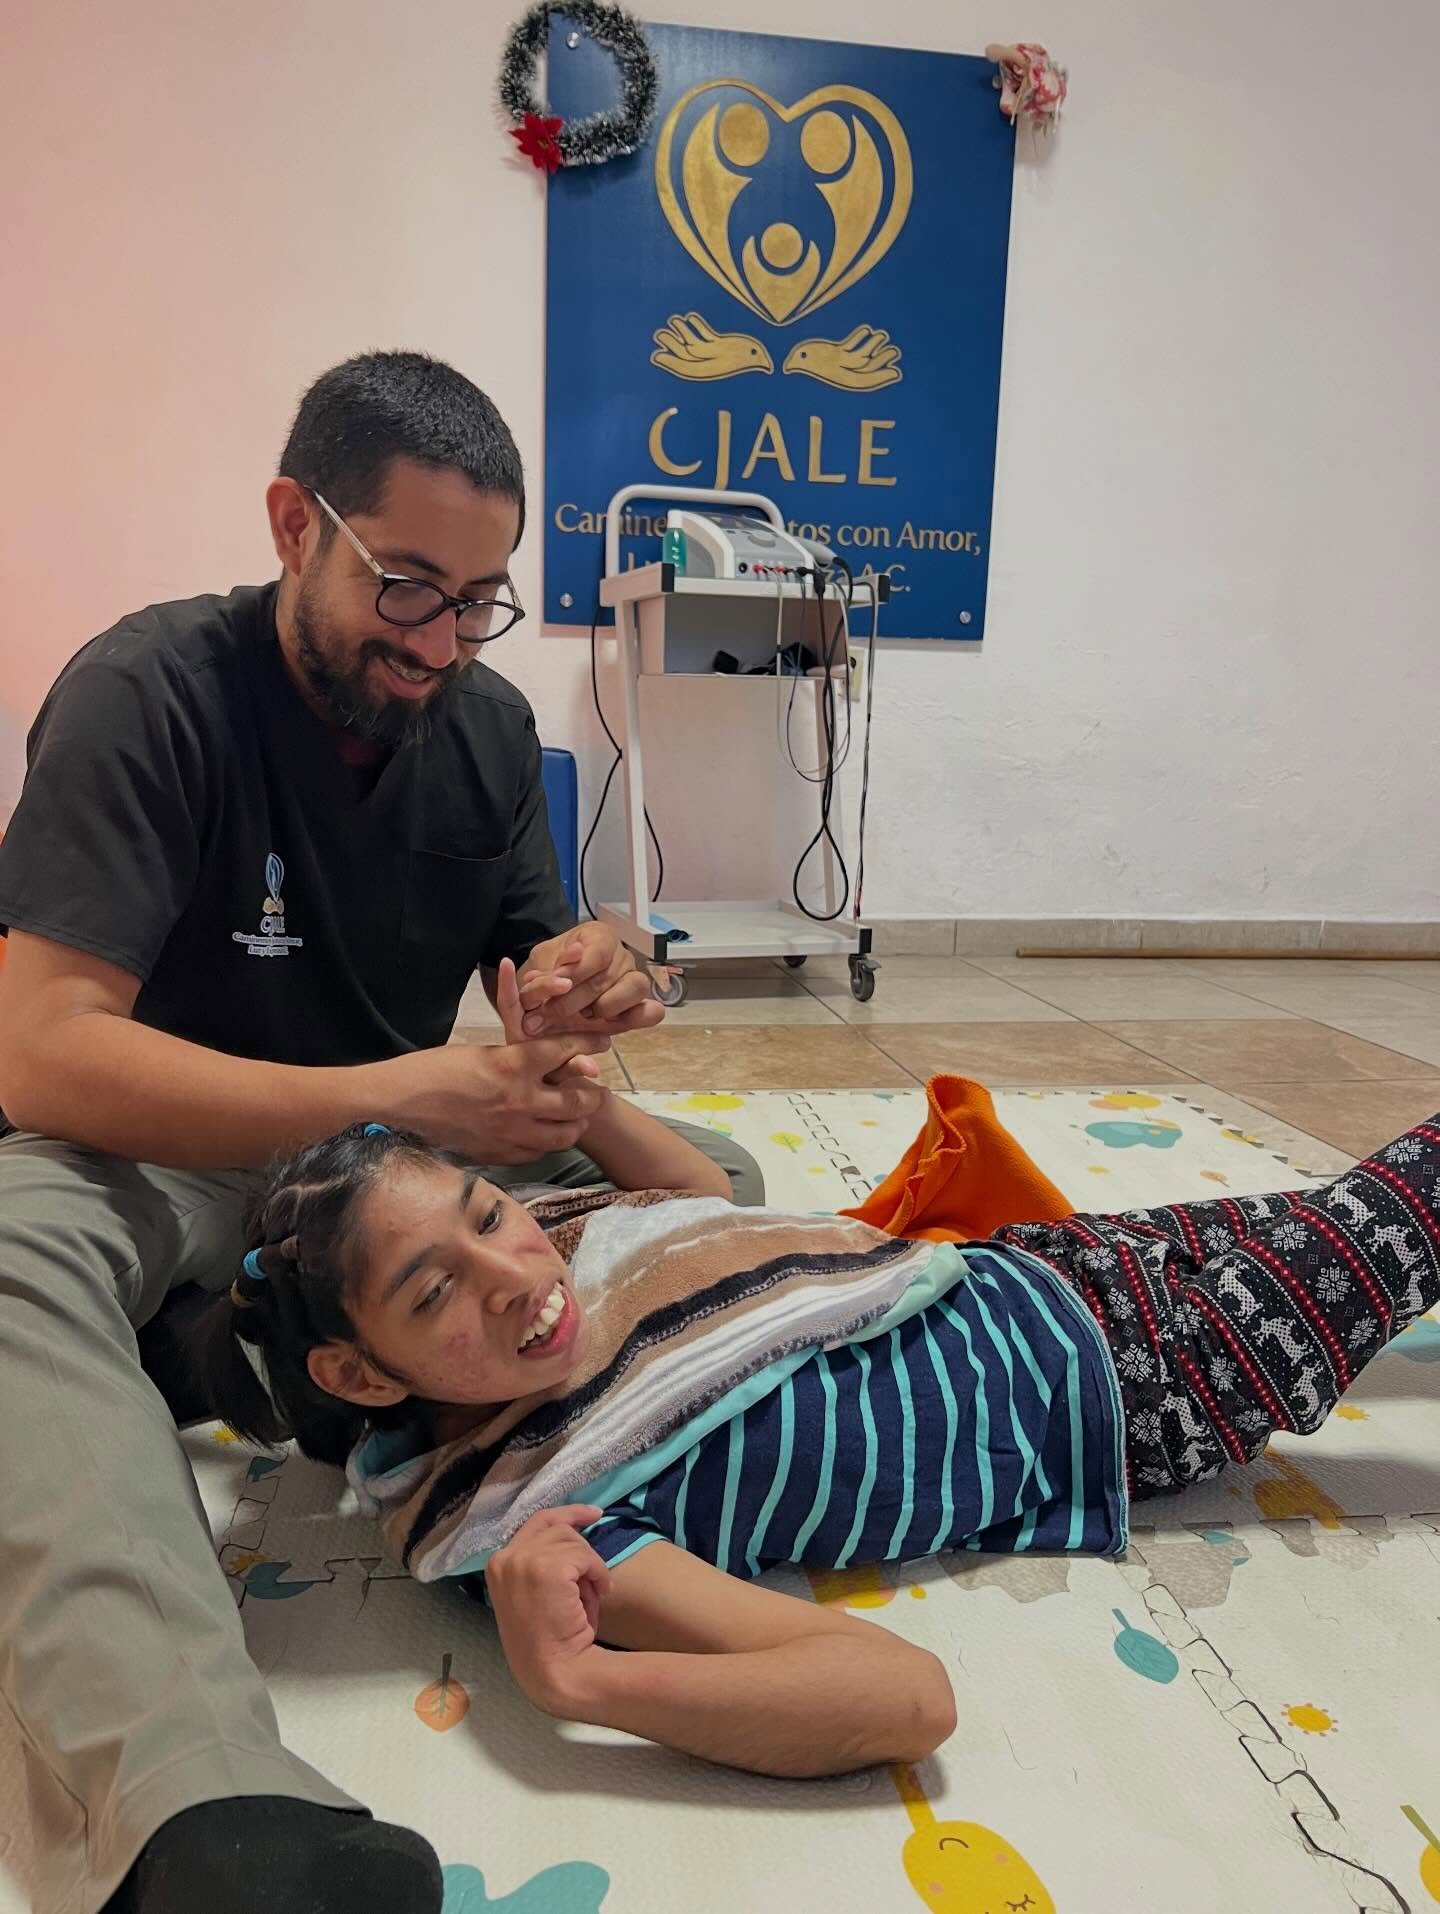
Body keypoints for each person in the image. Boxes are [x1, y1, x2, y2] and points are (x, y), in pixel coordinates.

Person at [0, 351, 762, 1914]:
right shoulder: (145, 695)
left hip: (381, 1183)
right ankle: (196, 1804)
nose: (439, 640)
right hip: (165, 1156)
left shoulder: (481, 731)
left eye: (480, 597)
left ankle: (241, 1355)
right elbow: (43, 1060)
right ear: (296, 523)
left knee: (718, 1194)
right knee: (16, 1254)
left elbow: (536, 982)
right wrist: (392, 1091)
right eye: (406, 585)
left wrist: (590, 982)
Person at [192, 1080, 1440, 1782]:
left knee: (1356, 1202)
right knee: (1417, 1197)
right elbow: (905, 1700)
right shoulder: (551, 1522)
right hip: (1145, 1385)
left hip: (1029, 1265)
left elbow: (685, 1215)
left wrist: (584, 1096)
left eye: (489, 1214)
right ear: (357, 1376)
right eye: (434, 1292)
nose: (516, 1274)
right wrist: (577, 1679)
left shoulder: (553, 1269)